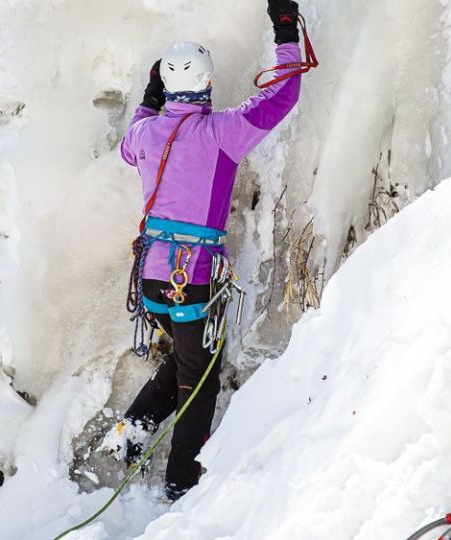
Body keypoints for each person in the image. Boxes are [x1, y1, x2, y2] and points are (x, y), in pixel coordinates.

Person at [100, 0, 304, 501]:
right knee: (201, 377)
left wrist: (151, 97)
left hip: (151, 277)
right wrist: (284, 30)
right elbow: (283, 94)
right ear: (208, 85)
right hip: (191, 278)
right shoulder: (220, 132)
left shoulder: (145, 135)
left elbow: (130, 139)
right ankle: (180, 483)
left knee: (191, 361)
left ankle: (130, 436)